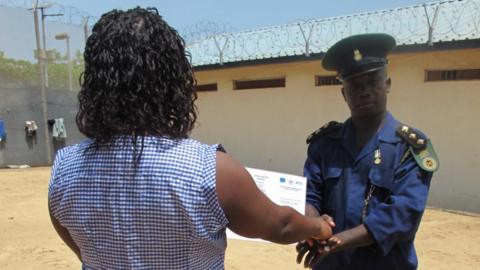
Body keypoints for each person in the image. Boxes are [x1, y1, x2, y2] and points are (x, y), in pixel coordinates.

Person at [47, 7, 334, 270]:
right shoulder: (211, 171)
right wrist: (319, 227)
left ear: (96, 81)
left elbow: (79, 246)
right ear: (171, 79)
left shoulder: (65, 169)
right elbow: (280, 226)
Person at [296, 33, 439, 269]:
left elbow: (403, 213)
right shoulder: (324, 145)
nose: (364, 91)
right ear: (344, 93)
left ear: (388, 84)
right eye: (355, 85)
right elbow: (309, 196)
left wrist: (339, 241)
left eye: (372, 81)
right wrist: (312, 225)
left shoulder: (409, 147)